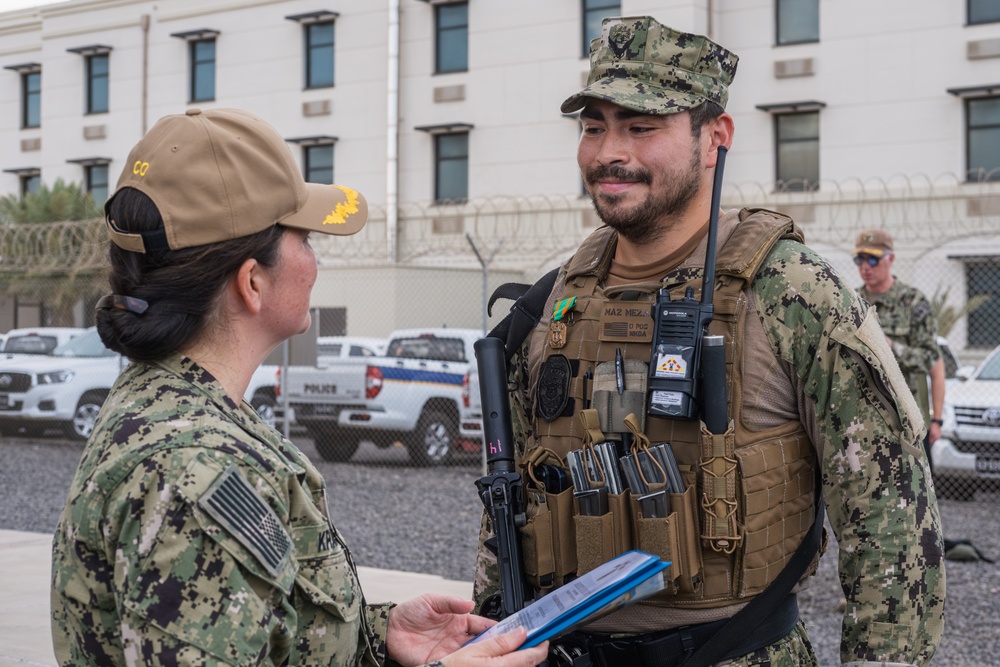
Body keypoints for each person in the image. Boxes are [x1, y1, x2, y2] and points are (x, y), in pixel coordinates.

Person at [473, 16, 944, 666]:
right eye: (593, 126)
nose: (612, 151)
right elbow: (511, 512)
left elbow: (892, 522)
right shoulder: (555, 300)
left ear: (713, 137)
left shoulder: (792, 293)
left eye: (642, 126)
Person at [49, 107, 548, 667]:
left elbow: (259, 626)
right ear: (252, 282)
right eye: (306, 238)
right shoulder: (194, 469)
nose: (315, 261)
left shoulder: (181, 406)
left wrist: (374, 635)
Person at [853, 229, 945, 457]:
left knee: (916, 492)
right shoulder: (853, 302)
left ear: (891, 259)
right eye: (860, 259)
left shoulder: (912, 302)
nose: (866, 267)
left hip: (908, 425)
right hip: (863, 422)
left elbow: (930, 358)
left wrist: (892, 347)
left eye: (873, 259)